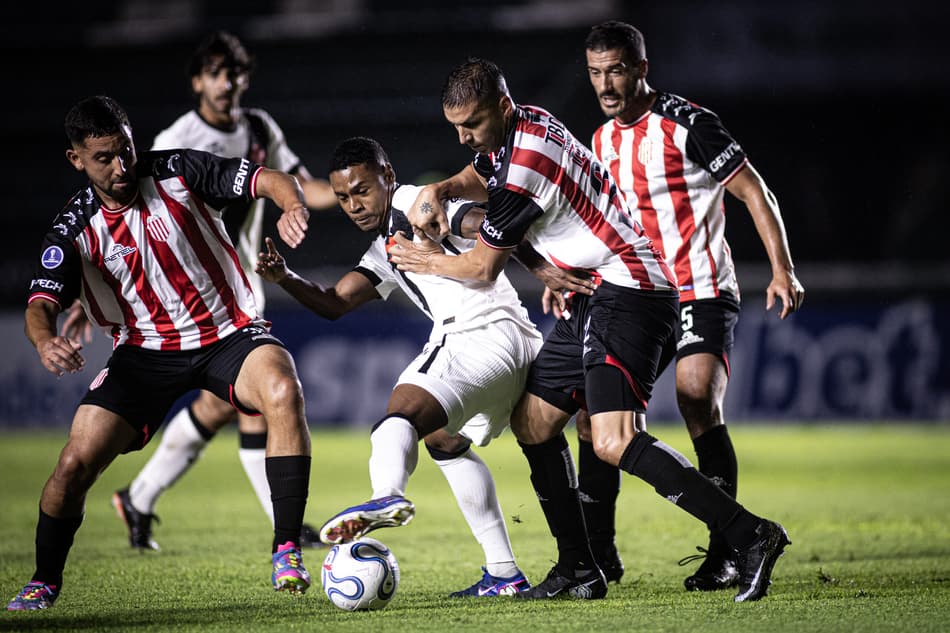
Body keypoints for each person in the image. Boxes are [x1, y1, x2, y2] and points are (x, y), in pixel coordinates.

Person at [381, 58, 791, 603]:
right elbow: (483, 169)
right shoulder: (523, 122)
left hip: (633, 295)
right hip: (595, 294)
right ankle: (579, 568)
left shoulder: (527, 161)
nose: (463, 137)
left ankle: (752, 534)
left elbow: (481, 269)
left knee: (613, 438)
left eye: (472, 125)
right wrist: (444, 186)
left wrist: (423, 259)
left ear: (500, 107)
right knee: (534, 422)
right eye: (455, 127)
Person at [7, 95, 314, 611]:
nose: (121, 166)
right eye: (103, 157)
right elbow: (39, 303)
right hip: (144, 352)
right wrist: (45, 339)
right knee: (73, 464)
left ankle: (286, 548)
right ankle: (44, 580)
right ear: (76, 159)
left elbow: (265, 179)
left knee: (283, 390)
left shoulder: (178, 168)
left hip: (227, 331)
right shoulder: (74, 227)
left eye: (125, 150)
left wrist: (294, 204)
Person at [263, 136, 587, 596]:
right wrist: (286, 279)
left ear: (388, 177)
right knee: (442, 438)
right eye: (343, 197)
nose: (354, 205)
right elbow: (335, 303)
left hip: (478, 335)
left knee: (400, 415)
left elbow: (480, 221)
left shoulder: (413, 202)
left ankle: (386, 495)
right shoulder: (383, 248)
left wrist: (540, 265)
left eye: (362, 190)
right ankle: (503, 573)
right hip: (513, 340)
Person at [59, 30, 335, 551]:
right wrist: (82, 298)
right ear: (197, 82)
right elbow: (125, 225)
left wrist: (350, 196)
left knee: (236, 404)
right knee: (246, 403)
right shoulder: (171, 144)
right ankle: (274, 526)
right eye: (216, 73)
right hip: (183, 306)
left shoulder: (258, 127)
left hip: (242, 286)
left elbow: (298, 181)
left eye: (235, 73)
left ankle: (142, 497)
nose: (227, 83)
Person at [572, 20, 806, 592]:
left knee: (696, 397)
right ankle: (599, 552)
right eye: (596, 73)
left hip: (701, 287)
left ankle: (727, 552)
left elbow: (754, 190)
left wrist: (783, 268)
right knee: (592, 418)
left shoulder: (688, 123)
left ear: (641, 69)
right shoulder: (601, 141)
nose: (606, 84)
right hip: (640, 295)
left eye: (617, 71)